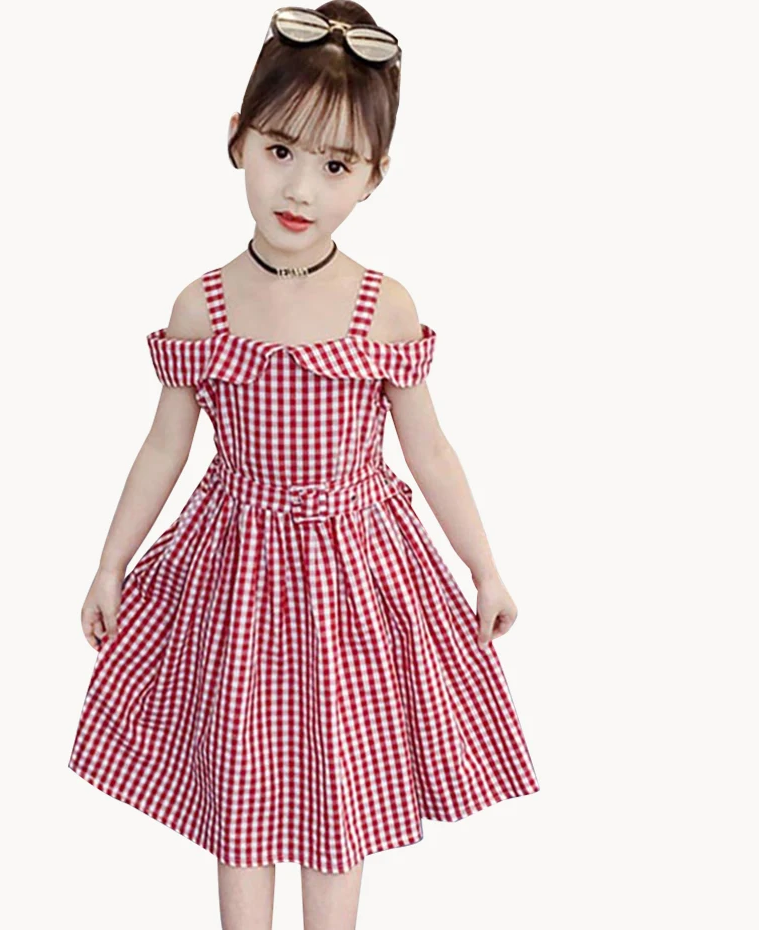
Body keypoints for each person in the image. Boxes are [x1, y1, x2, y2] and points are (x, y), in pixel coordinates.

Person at [69, 3, 540, 927]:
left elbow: (430, 449)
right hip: (235, 574)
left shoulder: (383, 306)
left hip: (354, 578)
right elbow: (164, 445)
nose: (300, 188)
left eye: (335, 166)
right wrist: (110, 562)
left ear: (374, 176)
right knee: (241, 777)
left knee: (341, 783)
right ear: (237, 138)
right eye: (280, 149)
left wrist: (484, 567)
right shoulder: (204, 305)